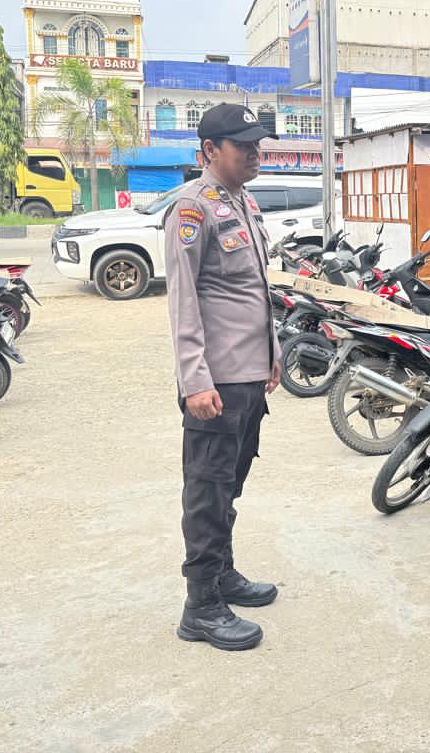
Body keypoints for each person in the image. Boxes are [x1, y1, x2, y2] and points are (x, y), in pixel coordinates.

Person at [165, 102, 281, 652]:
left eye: (258, 144)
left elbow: (254, 289)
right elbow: (183, 299)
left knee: (230, 484)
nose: (256, 153)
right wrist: (194, 381)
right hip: (215, 381)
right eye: (244, 145)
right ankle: (201, 606)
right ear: (211, 150)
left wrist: (272, 352)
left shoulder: (243, 201)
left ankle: (222, 574)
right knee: (207, 491)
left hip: (247, 375)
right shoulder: (192, 208)